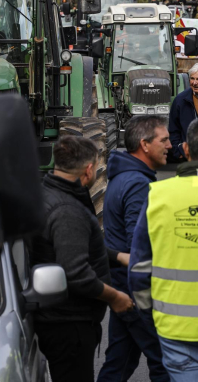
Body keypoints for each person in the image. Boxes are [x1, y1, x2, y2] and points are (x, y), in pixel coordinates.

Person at [29, 136, 133, 382]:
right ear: (88, 169)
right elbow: (76, 273)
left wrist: (118, 257)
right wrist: (115, 297)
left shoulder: (48, 193)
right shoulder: (67, 211)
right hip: (70, 323)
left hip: (59, 319)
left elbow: (75, 247)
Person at [98, 116, 171, 382]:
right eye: (164, 140)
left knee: (120, 361)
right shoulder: (138, 184)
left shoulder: (125, 176)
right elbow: (138, 246)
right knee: (164, 362)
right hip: (135, 289)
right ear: (145, 144)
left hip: (123, 284)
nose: (170, 145)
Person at [129, 119, 198, 381]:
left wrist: (152, 319)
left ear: (186, 149)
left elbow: (139, 271)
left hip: (175, 330)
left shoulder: (158, 195)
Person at [169, 63, 198, 161]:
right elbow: (173, 129)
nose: (195, 83)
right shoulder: (180, 100)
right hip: (187, 157)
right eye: (192, 78)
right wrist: (178, 152)